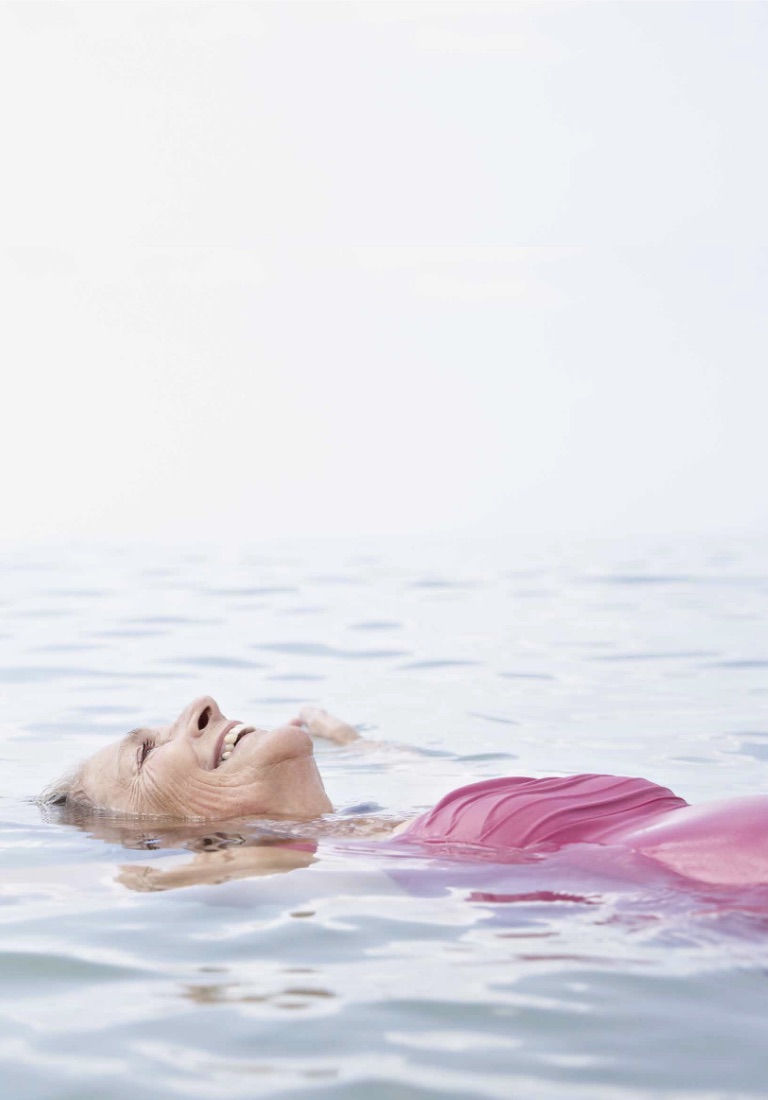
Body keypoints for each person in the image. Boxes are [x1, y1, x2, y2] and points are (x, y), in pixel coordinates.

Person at [43, 695, 768, 888]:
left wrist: (355, 742)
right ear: (167, 844)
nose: (201, 704)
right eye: (146, 753)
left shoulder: (396, 830)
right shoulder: (327, 876)